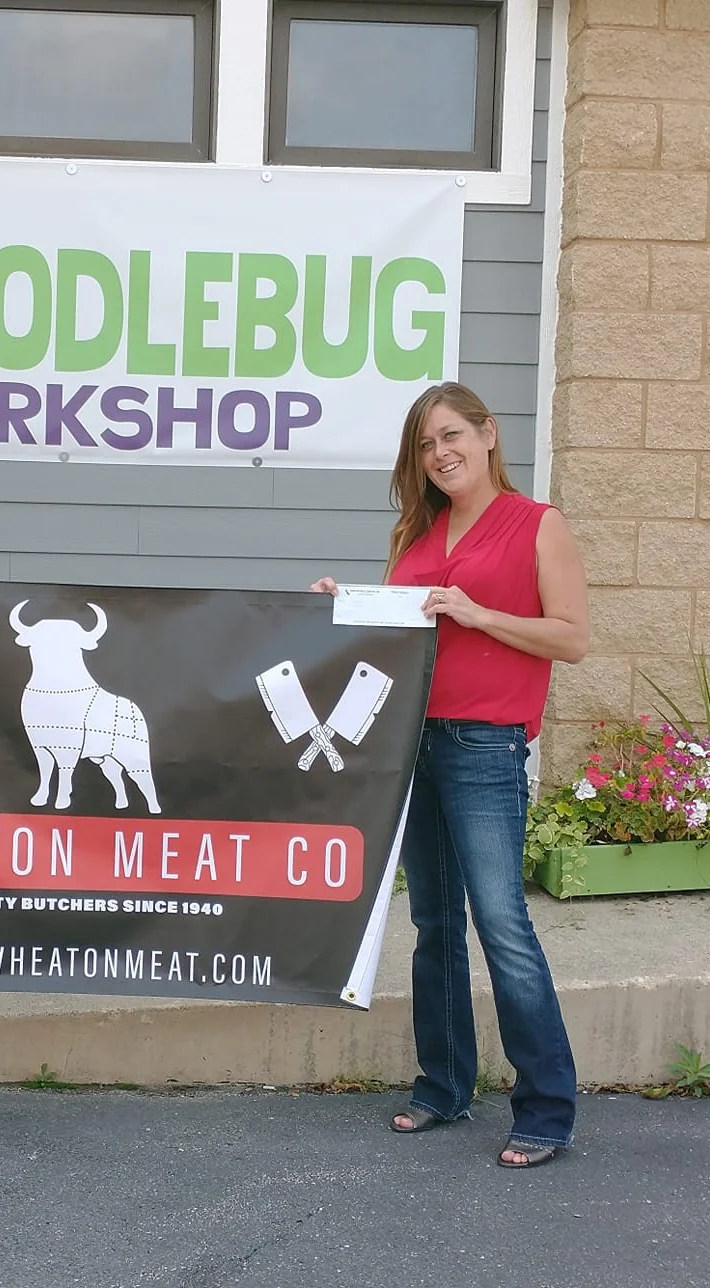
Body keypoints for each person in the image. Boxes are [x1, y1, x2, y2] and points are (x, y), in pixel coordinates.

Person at [311, 382, 589, 1169]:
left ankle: (547, 1109)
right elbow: (396, 635)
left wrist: (478, 613)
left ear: (488, 433)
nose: (440, 453)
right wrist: (340, 606)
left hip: (483, 748)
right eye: (426, 445)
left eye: (451, 435)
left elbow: (572, 639)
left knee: (502, 924)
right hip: (414, 742)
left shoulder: (537, 524)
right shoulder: (417, 532)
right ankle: (444, 1085)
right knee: (435, 921)